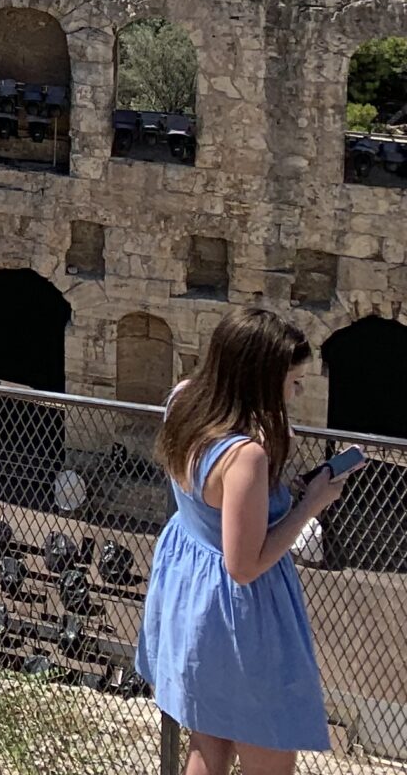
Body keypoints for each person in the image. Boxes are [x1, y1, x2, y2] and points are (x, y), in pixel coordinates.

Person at [138, 308, 358, 773]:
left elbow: (215, 503)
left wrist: (277, 492)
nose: (297, 392)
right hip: (239, 614)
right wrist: (310, 504)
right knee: (270, 755)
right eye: (292, 381)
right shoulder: (247, 456)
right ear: (260, 378)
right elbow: (244, 564)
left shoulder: (184, 401)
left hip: (189, 590)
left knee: (208, 747)